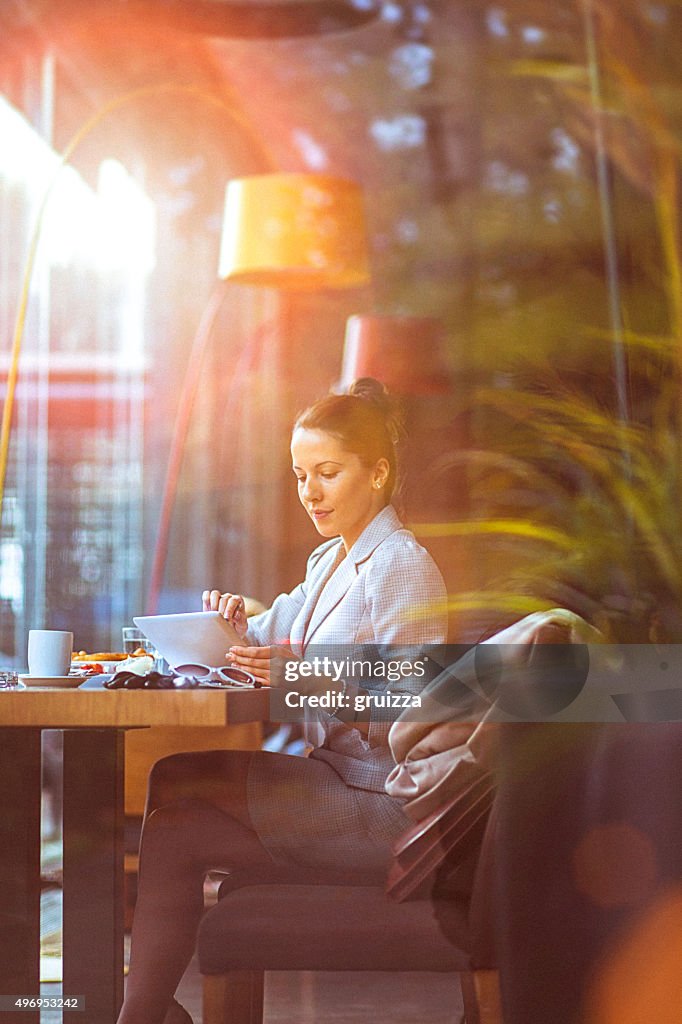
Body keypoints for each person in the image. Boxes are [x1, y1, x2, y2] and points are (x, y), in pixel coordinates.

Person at [116, 378, 447, 1024]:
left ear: (378, 473)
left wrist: (306, 674)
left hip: (384, 803)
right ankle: (147, 1010)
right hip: (335, 783)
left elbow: (413, 707)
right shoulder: (331, 561)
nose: (310, 493)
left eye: (328, 473)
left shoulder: (401, 565)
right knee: (173, 807)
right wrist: (232, 623)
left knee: (177, 794)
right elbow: (273, 635)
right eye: (300, 476)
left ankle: (142, 1011)